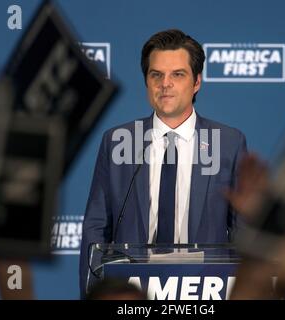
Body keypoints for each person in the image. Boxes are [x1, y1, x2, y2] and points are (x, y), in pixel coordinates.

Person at [79, 29, 247, 298]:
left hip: (204, 292)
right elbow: (96, 229)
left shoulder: (228, 143)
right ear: (147, 81)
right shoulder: (118, 141)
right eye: (156, 74)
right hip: (132, 293)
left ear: (196, 83)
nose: (165, 84)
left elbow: (243, 233)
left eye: (177, 74)